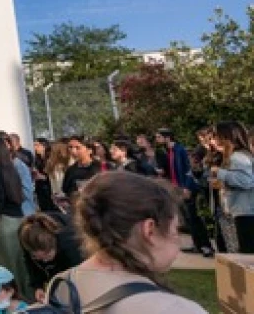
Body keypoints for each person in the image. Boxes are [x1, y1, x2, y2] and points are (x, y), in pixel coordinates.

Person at [49, 172, 207, 313]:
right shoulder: (173, 309)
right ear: (149, 230)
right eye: (175, 229)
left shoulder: (61, 285)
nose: (177, 240)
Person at [0, 136, 32, 300]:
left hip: (3, 222)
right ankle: (24, 298)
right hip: (17, 220)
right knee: (19, 264)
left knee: (4, 267)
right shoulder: (11, 167)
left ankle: (8, 301)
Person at [156, 128, 213, 258]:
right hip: (177, 187)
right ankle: (198, 244)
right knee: (189, 217)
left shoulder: (179, 150)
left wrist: (187, 187)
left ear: (167, 137)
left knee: (194, 217)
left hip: (185, 188)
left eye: (159, 137)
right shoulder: (169, 151)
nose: (157, 140)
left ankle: (205, 246)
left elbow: (189, 170)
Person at [209, 120, 254, 253]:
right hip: (242, 210)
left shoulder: (238, 157)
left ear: (225, 136)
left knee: (247, 254)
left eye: (216, 135)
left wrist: (220, 172)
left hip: (246, 211)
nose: (213, 139)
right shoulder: (238, 156)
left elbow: (246, 181)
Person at [19, 212, 83, 303]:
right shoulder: (26, 239)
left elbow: (79, 274)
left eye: (47, 255)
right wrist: (38, 286)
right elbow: (30, 263)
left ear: (54, 246)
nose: (45, 261)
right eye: (38, 258)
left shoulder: (70, 243)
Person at [61, 136, 101, 200]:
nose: (73, 151)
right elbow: (65, 189)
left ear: (89, 150)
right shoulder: (70, 170)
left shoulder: (100, 167)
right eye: (70, 147)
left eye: (78, 148)